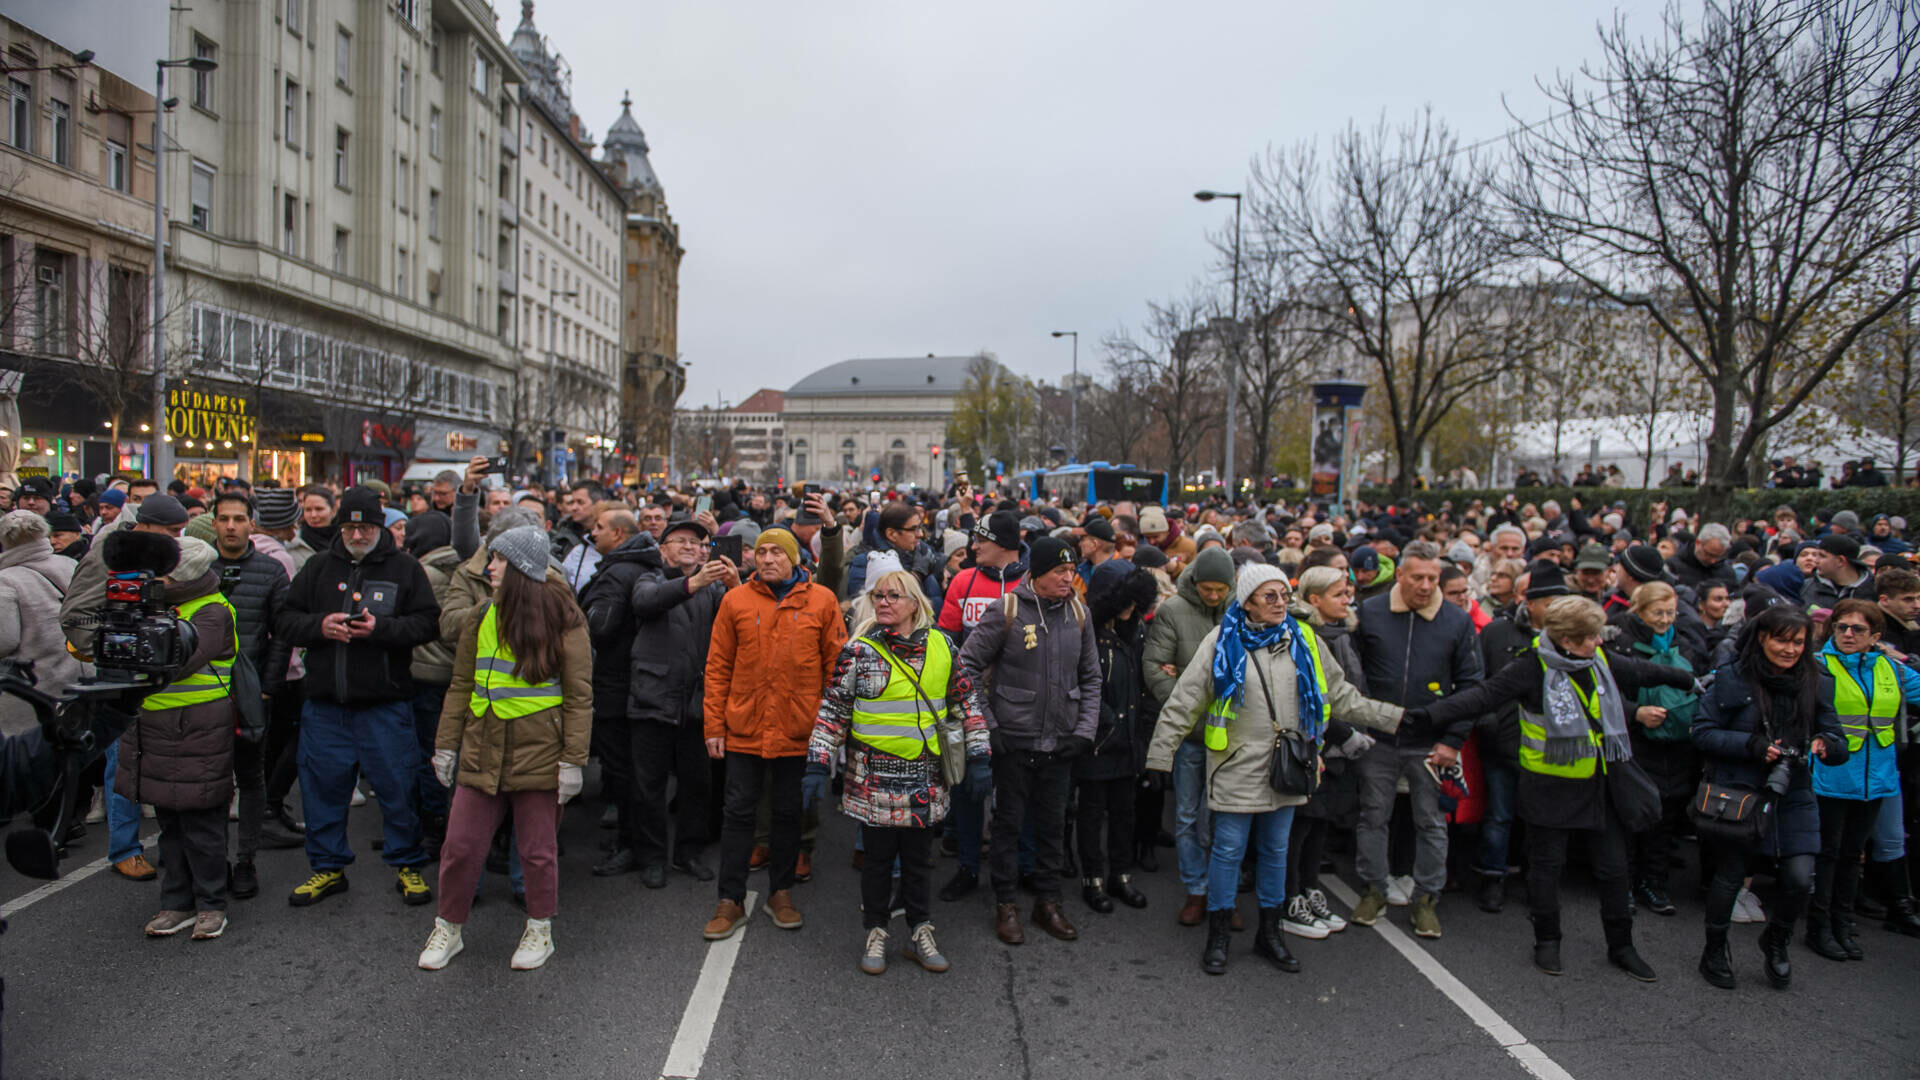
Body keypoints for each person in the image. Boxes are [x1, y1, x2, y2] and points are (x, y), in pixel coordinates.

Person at [1418, 596, 1692, 980]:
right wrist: (1425, 717)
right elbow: (1482, 697)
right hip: (1549, 787)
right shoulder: (1530, 668)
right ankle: (1547, 941)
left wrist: (1688, 678)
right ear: (1566, 640)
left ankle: (1622, 946)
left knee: (1615, 871)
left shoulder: (1599, 660)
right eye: (1591, 637)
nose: (1599, 643)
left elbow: (1640, 672)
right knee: (1547, 869)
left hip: (1600, 786)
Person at [1149, 564, 1402, 975]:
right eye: (1270, 596)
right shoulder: (1221, 640)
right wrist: (1160, 757)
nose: (1281, 603)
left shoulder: (1304, 638)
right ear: (1247, 601)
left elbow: (1341, 696)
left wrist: (1396, 718)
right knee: (1228, 851)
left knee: (1275, 852)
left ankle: (1271, 933)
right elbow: (1184, 701)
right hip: (1235, 768)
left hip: (1289, 768)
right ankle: (1218, 936)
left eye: (1285, 595)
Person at [418, 526, 592, 971]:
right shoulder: (481, 615)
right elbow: (461, 685)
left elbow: (578, 695)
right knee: (459, 847)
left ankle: (540, 929)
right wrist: (446, 746)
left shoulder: (565, 616)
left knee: (537, 851)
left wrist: (573, 761)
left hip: (539, 753)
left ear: (519, 568)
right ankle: (448, 928)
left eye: (497, 560)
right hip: (482, 749)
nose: (488, 567)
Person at [805, 568, 989, 974]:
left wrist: (979, 757)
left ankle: (921, 929)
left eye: (894, 596)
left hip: (926, 780)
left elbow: (968, 705)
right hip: (872, 781)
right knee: (876, 862)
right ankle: (876, 931)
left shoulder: (944, 646)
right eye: (879, 596)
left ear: (915, 604)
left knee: (920, 860)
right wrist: (818, 762)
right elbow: (832, 711)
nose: (884, 602)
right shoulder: (859, 653)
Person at [275, 487, 443, 908]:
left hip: (385, 704)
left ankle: (407, 864)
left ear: (379, 525)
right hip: (326, 705)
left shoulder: (405, 569)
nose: (357, 534)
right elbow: (285, 621)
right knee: (321, 790)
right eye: (350, 527)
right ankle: (327, 869)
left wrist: (380, 630)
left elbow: (427, 624)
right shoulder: (316, 567)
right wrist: (320, 626)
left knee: (398, 787)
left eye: (366, 526)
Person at [702, 527, 847, 941]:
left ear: (795, 560)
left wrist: (829, 729)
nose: (767, 559)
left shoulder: (822, 601)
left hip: (799, 729)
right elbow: (717, 668)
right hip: (745, 728)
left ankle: (780, 892)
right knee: (738, 815)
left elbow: (834, 669)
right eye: (761, 552)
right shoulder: (735, 600)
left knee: (788, 815)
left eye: (776, 553)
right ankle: (729, 899)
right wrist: (714, 725)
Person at [1692, 605, 1846, 990]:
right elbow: (1702, 732)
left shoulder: (1818, 680)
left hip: (1792, 790)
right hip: (1740, 791)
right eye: (1782, 640)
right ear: (1762, 638)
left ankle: (1776, 941)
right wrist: (1752, 745)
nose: (1790, 649)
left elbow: (1838, 737)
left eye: (1798, 642)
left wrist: (1827, 744)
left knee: (1798, 879)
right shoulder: (1733, 677)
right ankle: (1714, 950)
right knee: (1729, 877)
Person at [958, 536, 1100, 946]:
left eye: (1071, 570)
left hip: (1061, 742)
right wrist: (989, 726)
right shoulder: (1005, 611)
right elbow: (966, 666)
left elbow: (1091, 677)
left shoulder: (1079, 613)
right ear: (1036, 574)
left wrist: (1084, 731)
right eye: (1059, 571)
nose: (1067, 578)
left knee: (1054, 826)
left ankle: (1048, 901)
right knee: (1007, 825)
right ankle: (1006, 904)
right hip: (1014, 741)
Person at [1351, 540, 1484, 938]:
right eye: (1418, 577)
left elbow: (1472, 685)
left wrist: (1453, 740)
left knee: (1431, 822)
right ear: (1401, 575)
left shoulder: (1455, 621)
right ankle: (1374, 888)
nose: (1426, 585)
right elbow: (1354, 676)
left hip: (1431, 744)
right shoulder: (1371, 613)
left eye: (1433, 578)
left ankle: (1427, 898)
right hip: (1378, 739)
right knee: (1373, 817)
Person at [114, 536, 239, 940]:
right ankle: (177, 903)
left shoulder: (213, 610)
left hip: (199, 726)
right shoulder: (155, 604)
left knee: (202, 822)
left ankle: (211, 905)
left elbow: (178, 662)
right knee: (169, 822)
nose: (158, 578)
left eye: (166, 572)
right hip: (154, 725)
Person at [60, 492, 189, 882]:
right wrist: (114, 650)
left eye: (180, 532)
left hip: (157, 674)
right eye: (170, 531)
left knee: (159, 761)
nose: (176, 539)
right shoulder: (108, 554)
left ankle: (169, 846)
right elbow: (73, 616)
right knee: (123, 763)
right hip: (120, 678)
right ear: (145, 525)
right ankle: (124, 849)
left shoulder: (160, 555)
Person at [1805, 599, 1920, 961]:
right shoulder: (1818, 666)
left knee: (1853, 856)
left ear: (1876, 637)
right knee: (1828, 854)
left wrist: (1905, 660)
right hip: (1831, 775)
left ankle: (1841, 923)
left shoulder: (1893, 670)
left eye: (1858, 629)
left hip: (1877, 778)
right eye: (1841, 627)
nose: (1848, 634)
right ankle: (1818, 927)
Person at [628, 514, 733, 886]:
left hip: (698, 702)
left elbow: (737, 619)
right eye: (682, 541)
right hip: (653, 699)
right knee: (649, 786)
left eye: (698, 542)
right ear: (663, 549)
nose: (691, 547)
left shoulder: (713, 588)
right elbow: (646, 602)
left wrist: (735, 585)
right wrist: (691, 584)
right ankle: (652, 857)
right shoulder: (650, 577)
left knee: (697, 785)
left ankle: (688, 852)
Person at [933, 510, 1027, 900]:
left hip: (1019, 706)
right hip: (968, 704)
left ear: (1003, 544)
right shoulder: (963, 580)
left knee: (1017, 793)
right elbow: (945, 638)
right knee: (970, 791)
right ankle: (968, 867)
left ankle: (1019, 867)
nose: (972, 547)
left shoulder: (1031, 582)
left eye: (980, 541)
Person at [208, 491, 297, 897]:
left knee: (250, 776)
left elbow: (282, 636)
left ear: (251, 524)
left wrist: (267, 687)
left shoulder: (271, 570)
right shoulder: (198, 568)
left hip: (251, 694)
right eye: (224, 518)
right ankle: (208, 859)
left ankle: (245, 859)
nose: (231, 526)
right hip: (202, 692)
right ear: (213, 524)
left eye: (239, 519)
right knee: (208, 780)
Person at [1283, 566, 1380, 938]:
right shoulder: (1304, 636)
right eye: (1339, 594)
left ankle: (1310, 888)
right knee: (1300, 825)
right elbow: (1309, 695)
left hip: (1343, 747)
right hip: (1316, 742)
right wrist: (1343, 732)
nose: (1347, 600)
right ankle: (1289, 897)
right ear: (1314, 599)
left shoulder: (1345, 635)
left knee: (1320, 824)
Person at [1141, 546, 1235, 924]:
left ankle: (1221, 893)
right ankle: (1196, 889)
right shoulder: (1173, 611)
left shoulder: (1241, 612)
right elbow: (1155, 669)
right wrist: (1189, 710)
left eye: (1220, 590)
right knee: (1186, 816)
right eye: (1207, 589)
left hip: (1231, 736)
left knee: (1222, 819)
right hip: (1192, 736)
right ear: (1195, 583)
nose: (1213, 596)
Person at [1075, 560, 1160, 914]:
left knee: (1125, 811)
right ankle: (1092, 878)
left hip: (1128, 741)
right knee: (1092, 813)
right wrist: (1104, 723)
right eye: (1125, 601)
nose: (1130, 609)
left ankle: (1121, 875)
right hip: (1099, 742)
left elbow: (1144, 684)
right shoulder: (1088, 634)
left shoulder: (1136, 632)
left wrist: (1141, 729)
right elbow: (1079, 685)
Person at [578, 507, 652, 878]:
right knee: (635, 769)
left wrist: (583, 613)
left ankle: (629, 844)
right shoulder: (641, 564)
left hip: (615, 683)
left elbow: (600, 627)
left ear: (620, 534)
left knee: (621, 769)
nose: (592, 533)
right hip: (637, 682)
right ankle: (637, 841)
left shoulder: (619, 572)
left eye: (600, 527)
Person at [402, 510, 464, 859]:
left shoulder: (423, 572)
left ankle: (433, 827)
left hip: (426, 673)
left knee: (428, 754)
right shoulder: (459, 566)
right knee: (444, 752)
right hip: (450, 673)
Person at [0, 511, 85, 738]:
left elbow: (4, 640)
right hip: (81, 681)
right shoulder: (71, 565)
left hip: (34, 690)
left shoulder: (6, 580)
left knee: (32, 759)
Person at [845, 501, 945, 609]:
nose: (920, 534)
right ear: (892, 534)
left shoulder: (923, 556)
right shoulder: (866, 563)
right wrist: (916, 575)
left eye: (920, 527)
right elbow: (869, 608)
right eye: (913, 529)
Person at [1802, 534, 1869, 610]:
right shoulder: (1806, 587)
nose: (1816, 560)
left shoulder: (1872, 590)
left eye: (1822, 556)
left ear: (1840, 561)